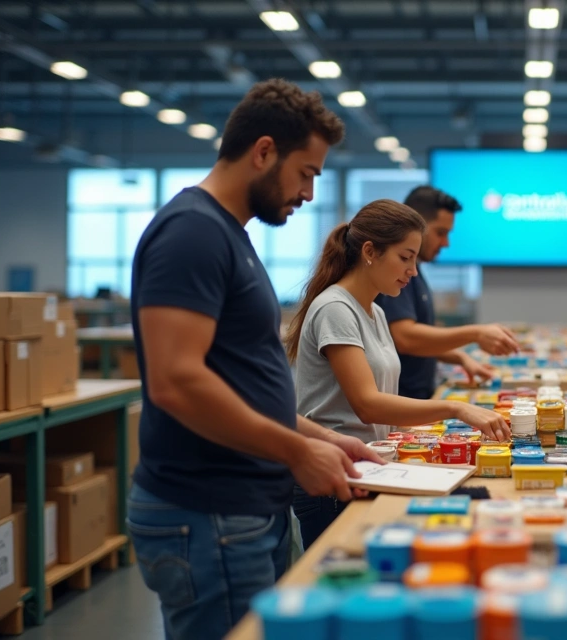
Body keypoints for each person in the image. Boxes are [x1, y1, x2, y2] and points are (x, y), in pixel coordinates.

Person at [126, 79, 384, 640]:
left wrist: (323, 438)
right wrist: (296, 451)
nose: (309, 194)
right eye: (306, 173)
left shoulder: (228, 234)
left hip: (241, 509)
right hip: (209, 511)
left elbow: (240, 387)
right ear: (264, 151)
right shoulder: (192, 233)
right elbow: (176, 382)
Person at [285, 199, 511, 547]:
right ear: (369, 252)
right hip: (335, 477)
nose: (413, 271)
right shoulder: (335, 309)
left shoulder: (374, 311)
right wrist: (456, 408)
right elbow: (368, 404)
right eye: (405, 258)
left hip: (371, 468)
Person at [377, 186, 520, 399]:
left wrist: (460, 358)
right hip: (403, 400)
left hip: (420, 397)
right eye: (440, 233)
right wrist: (475, 333)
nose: (446, 243)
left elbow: (422, 340)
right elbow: (405, 337)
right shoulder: (396, 275)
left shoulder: (415, 271)